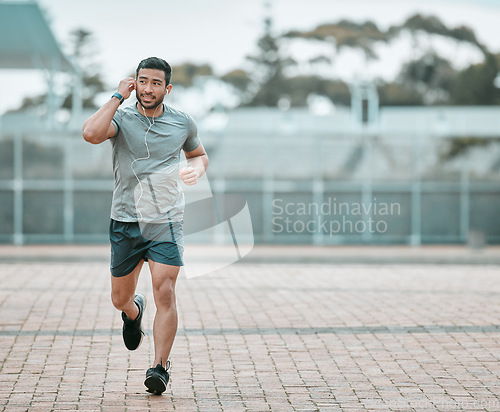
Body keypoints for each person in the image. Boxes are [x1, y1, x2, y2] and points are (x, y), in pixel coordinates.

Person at [82, 57, 208, 395]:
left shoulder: (183, 123)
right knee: (119, 297)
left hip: (165, 220)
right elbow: (91, 133)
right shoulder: (120, 119)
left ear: (166, 88)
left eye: (155, 83)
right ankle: (133, 312)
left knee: (165, 290)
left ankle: (159, 367)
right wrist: (116, 96)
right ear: (133, 83)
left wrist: (196, 169)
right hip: (125, 220)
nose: (148, 88)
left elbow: (199, 155)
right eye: (142, 81)